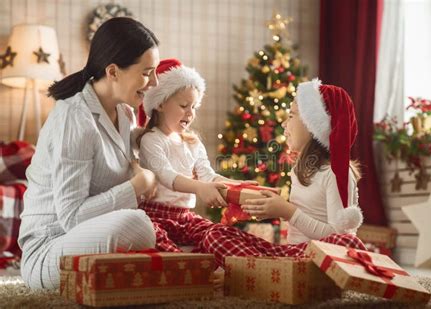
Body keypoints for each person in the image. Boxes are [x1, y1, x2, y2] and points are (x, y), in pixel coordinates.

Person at [18, 17, 160, 290]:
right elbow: (71, 218)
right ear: (113, 71)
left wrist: (139, 165)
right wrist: (136, 186)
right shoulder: (75, 117)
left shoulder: (124, 113)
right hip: (50, 249)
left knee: (161, 226)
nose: (153, 82)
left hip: (88, 242)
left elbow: (127, 161)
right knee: (137, 224)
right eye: (146, 72)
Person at [200, 79, 367, 267]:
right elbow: (301, 219)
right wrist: (272, 208)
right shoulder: (299, 169)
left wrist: (287, 211)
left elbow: (338, 237)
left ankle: (260, 274)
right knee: (215, 235)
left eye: (291, 116)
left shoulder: (335, 173)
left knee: (347, 242)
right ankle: (268, 274)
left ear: (313, 125)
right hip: (291, 254)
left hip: (318, 257)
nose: (285, 125)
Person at [135, 58, 255, 255]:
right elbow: (167, 176)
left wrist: (238, 186)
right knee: (150, 236)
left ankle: (234, 263)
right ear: (160, 103)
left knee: (219, 234)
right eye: (184, 105)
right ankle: (187, 266)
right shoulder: (151, 140)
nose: (190, 114)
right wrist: (200, 187)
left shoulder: (192, 142)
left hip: (186, 217)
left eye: (194, 107)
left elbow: (207, 176)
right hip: (155, 216)